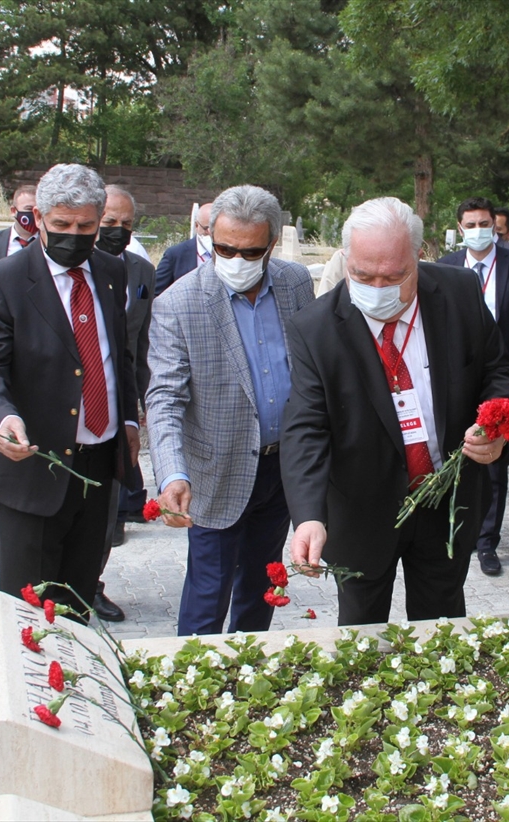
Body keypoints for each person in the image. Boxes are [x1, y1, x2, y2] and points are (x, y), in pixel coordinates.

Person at [281, 197, 509, 626]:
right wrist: (309, 516)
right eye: (362, 274)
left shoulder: (459, 293)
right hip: (363, 509)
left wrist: (494, 425)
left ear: (419, 257)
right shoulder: (314, 330)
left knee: (441, 622)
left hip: (447, 499)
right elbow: (305, 428)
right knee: (362, 630)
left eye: (393, 276)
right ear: (345, 259)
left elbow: (498, 370)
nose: (376, 287)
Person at [0, 163, 141, 616]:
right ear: (38, 218)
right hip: (34, 464)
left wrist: (126, 418)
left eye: (86, 226)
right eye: (62, 225)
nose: (74, 235)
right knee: (28, 611)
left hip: (98, 464)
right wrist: (1, 417)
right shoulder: (0, 282)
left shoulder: (110, 271)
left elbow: (116, 353)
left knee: (78, 601)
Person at [147, 185, 314, 636]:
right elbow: (164, 399)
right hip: (216, 472)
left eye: (250, 251)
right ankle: (190, 688)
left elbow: (313, 368)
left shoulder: (296, 283)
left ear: (271, 245)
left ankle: (248, 677)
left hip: (280, 469)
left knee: (261, 589)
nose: (236, 260)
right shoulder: (178, 304)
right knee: (207, 596)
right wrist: (171, 473)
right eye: (223, 248)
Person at [438, 197, 509, 575]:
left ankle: (487, 543)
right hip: (459, 374)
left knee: (495, 462)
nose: (480, 230)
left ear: (495, 225)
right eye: (472, 224)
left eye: (486, 223)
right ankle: (452, 530)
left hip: (504, 372)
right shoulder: (446, 266)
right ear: (460, 228)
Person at [91, 185, 156, 622]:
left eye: (126, 225)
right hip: (70, 404)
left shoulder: (140, 271)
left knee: (108, 505)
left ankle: (92, 582)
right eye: (109, 223)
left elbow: (141, 341)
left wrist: (147, 398)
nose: (118, 231)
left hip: (119, 402)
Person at [154, 202, 213, 295]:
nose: (210, 233)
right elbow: (156, 293)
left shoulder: (231, 252)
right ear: (197, 226)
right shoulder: (175, 255)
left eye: (215, 229)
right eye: (206, 228)